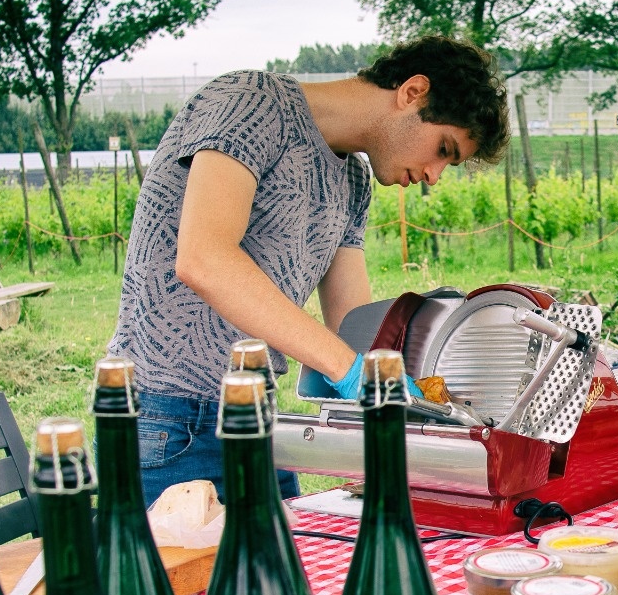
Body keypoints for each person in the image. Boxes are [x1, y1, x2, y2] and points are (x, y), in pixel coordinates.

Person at [108, 35, 510, 505]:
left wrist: (430, 364)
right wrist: (350, 369)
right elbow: (204, 258)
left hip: (258, 414)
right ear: (412, 92)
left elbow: (351, 327)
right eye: (443, 149)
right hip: (168, 418)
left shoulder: (353, 180)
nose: (435, 175)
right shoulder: (251, 102)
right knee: (174, 580)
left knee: (291, 574)